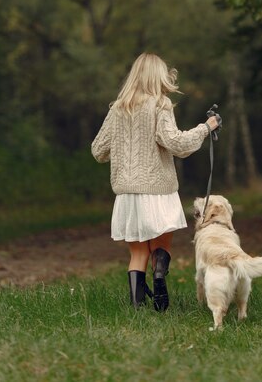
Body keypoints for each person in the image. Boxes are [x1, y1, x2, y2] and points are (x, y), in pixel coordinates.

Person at [91, 52, 219, 312]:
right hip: (158, 190)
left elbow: (98, 150)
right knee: (160, 246)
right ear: (158, 76)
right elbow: (176, 143)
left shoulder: (117, 108)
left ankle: (137, 308)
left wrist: (124, 144)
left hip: (127, 193)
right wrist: (206, 127)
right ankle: (159, 278)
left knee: (137, 253)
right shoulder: (160, 105)